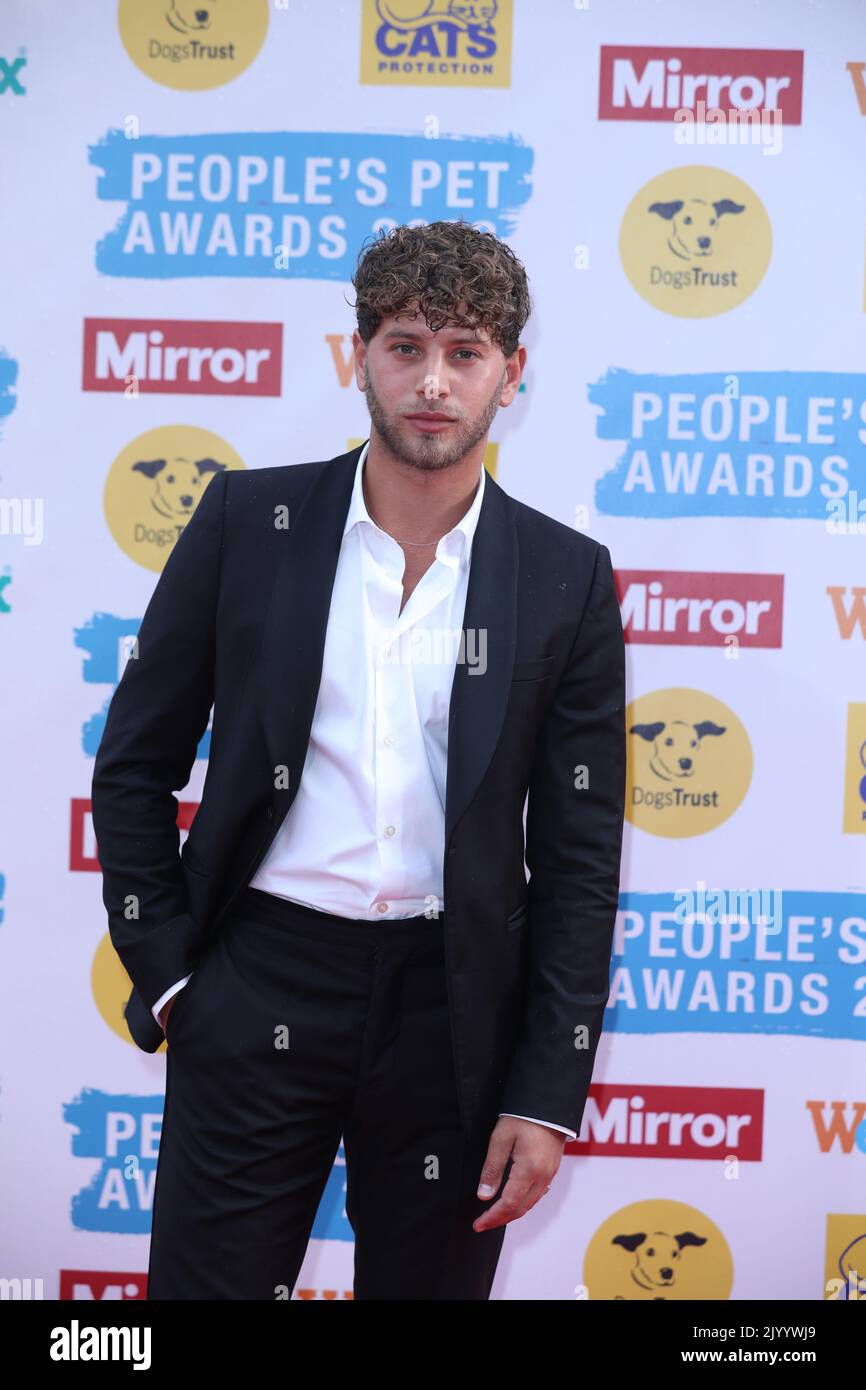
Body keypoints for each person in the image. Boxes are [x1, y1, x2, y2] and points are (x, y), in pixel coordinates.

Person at [91, 219, 626, 1300]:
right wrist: (178, 978)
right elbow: (133, 761)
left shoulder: (566, 577)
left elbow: (577, 858)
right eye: (405, 345)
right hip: (255, 982)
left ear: (509, 375)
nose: (432, 380)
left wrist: (544, 1089)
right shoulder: (250, 521)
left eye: (465, 351)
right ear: (358, 357)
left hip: (454, 1014)